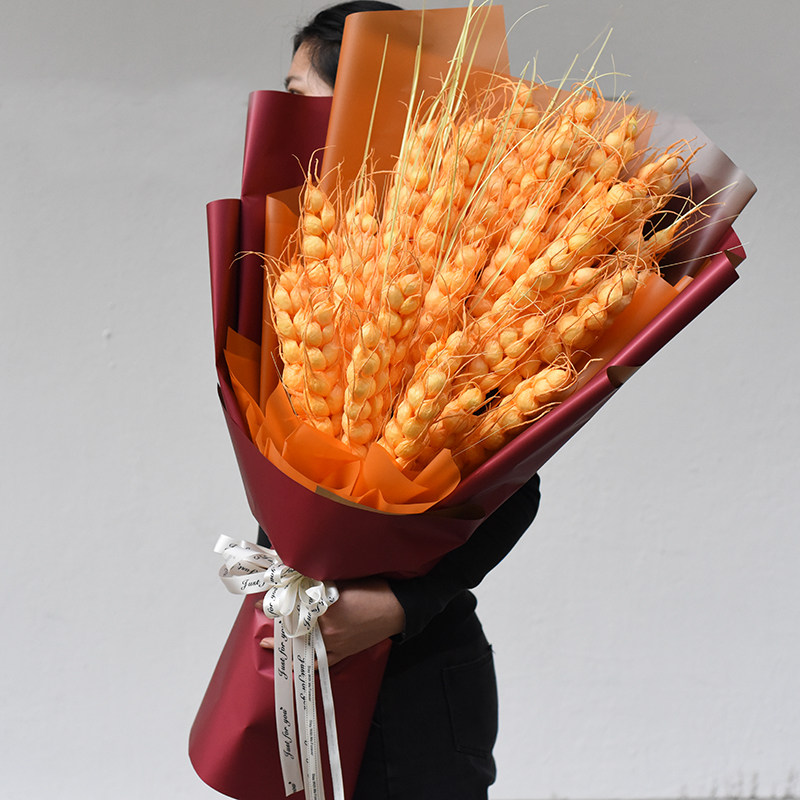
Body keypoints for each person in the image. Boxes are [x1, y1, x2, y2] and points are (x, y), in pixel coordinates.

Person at [258, 4, 543, 798]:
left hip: (419, 686)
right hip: (302, 661)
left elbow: (514, 481)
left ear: (363, 99)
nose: (280, 110)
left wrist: (398, 605)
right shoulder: (306, 250)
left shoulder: (474, 259)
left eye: (299, 92)